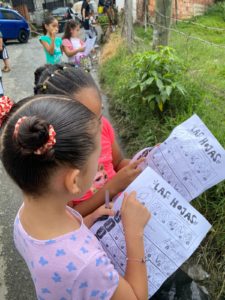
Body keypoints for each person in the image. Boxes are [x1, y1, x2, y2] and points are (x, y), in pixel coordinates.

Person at [0, 94, 151, 300]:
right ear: (74, 181)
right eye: (96, 157)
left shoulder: (25, 216)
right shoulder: (89, 266)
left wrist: (87, 220)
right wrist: (135, 232)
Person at [34, 64, 144, 216]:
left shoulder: (103, 126)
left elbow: (118, 163)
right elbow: (70, 216)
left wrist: (143, 164)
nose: (98, 129)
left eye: (98, 117)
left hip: (121, 209)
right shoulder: (57, 157)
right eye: (85, 124)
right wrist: (111, 188)